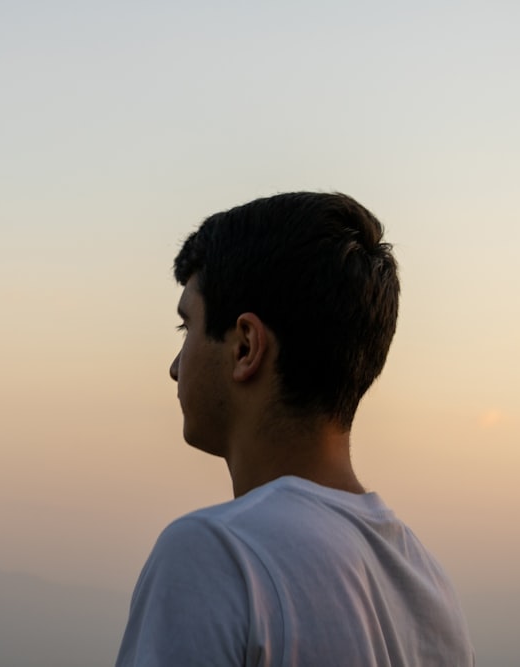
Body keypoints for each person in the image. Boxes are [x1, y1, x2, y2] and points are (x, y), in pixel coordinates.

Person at [115, 192, 475, 666]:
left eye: (188, 329)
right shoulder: (429, 589)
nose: (175, 367)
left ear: (246, 346)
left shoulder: (215, 555)